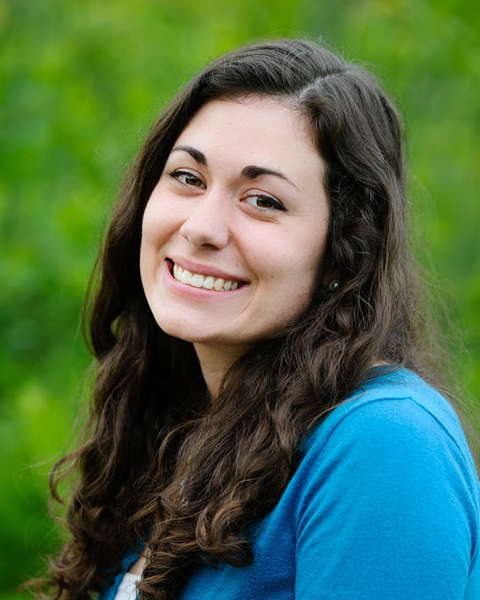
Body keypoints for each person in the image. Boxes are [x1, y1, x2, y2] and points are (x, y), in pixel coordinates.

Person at [34, 38, 480, 599]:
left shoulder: (384, 443)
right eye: (188, 179)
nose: (201, 227)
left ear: (345, 249)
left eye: (262, 200)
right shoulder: (179, 429)